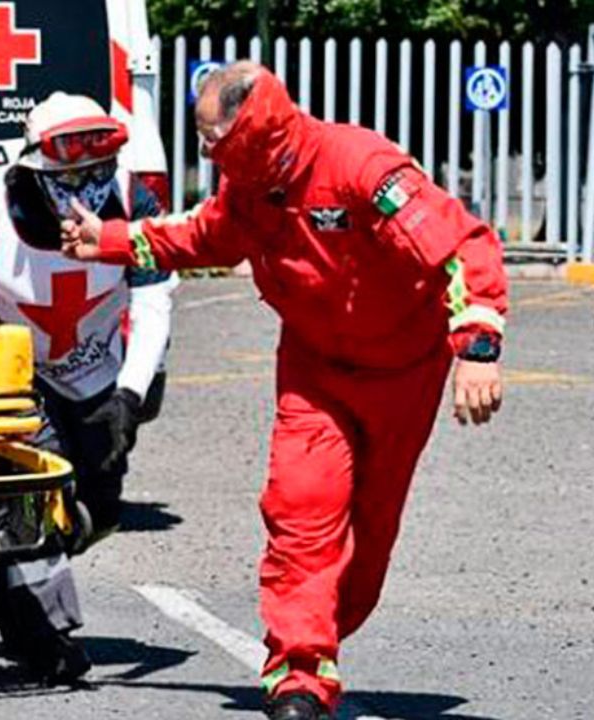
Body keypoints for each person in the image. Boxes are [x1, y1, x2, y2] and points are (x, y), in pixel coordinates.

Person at [62, 62, 508, 720]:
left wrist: (477, 347)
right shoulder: (247, 190)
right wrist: (110, 240)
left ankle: (320, 627)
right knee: (300, 511)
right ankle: (300, 676)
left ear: (254, 132)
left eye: (213, 139)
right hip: (314, 374)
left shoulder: (361, 167)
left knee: (369, 541)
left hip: (402, 375)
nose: (206, 152)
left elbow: (460, 247)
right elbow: (203, 235)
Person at [0, 92, 177, 682]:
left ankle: (6, 590)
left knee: (100, 507)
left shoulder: (134, 200)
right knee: (39, 487)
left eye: (98, 171)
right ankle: (41, 630)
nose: (87, 188)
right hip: (11, 376)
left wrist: (130, 395)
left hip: (95, 371)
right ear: (37, 167)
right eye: (72, 176)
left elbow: (153, 303)